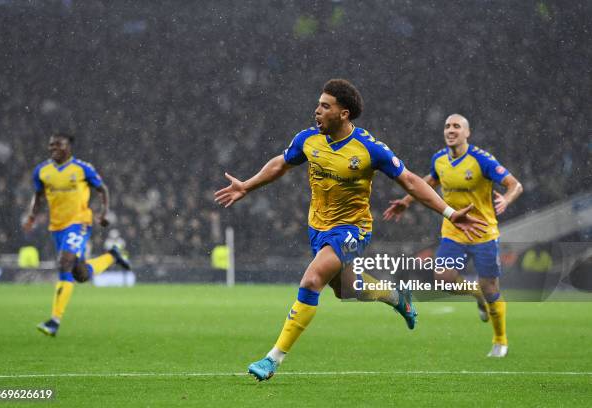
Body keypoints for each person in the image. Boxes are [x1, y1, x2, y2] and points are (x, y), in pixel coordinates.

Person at [215, 80, 487, 381]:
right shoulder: (308, 140)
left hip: (352, 230)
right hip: (318, 228)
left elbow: (410, 180)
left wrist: (449, 212)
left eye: (325, 106)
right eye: (318, 104)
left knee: (312, 279)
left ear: (343, 114)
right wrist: (247, 186)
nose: (317, 110)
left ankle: (272, 359)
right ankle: (398, 297)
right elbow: (281, 164)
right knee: (348, 289)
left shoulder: (369, 148)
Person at [383, 114, 523, 357]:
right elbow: (428, 182)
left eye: (457, 126)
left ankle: (500, 340)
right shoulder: (439, 159)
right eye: (447, 126)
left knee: (491, 287)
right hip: (453, 231)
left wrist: (507, 199)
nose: (451, 130)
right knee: (443, 277)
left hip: (483, 231)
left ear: (467, 133)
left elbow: (515, 185)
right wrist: (406, 201)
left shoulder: (481, 160)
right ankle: (476, 294)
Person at [23, 132, 131, 336]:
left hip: (79, 222)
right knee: (79, 274)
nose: (53, 148)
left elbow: (103, 189)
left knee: (64, 263)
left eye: (58, 145)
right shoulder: (42, 171)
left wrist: (103, 212)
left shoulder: (82, 169)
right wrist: (31, 216)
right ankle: (112, 256)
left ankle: (54, 321)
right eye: (51, 145)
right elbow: (37, 196)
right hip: (57, 227)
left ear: (68, 147)